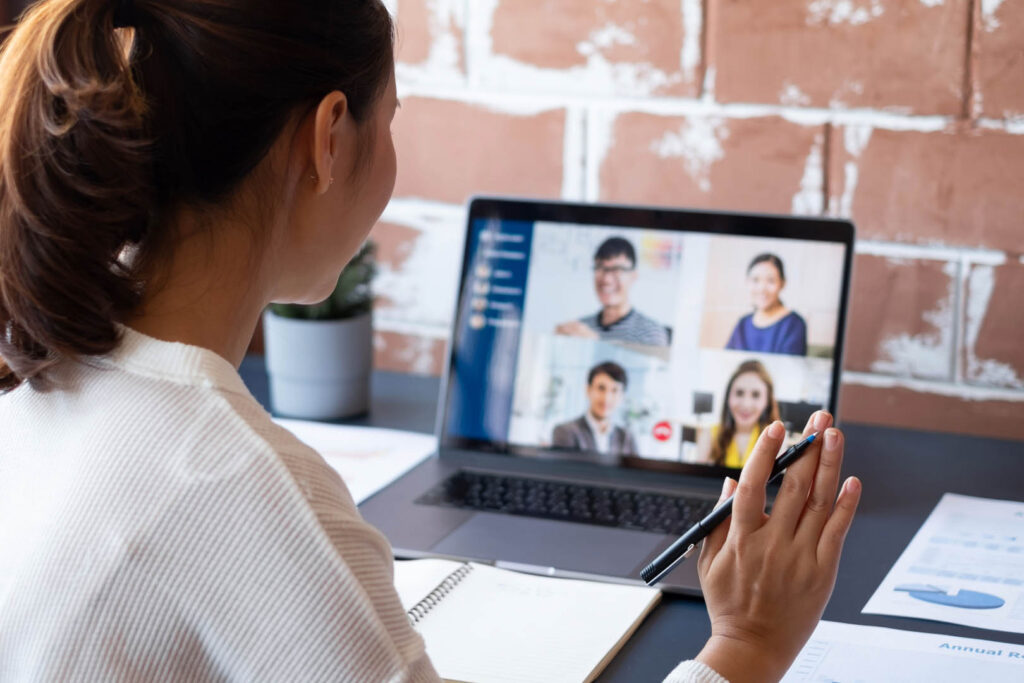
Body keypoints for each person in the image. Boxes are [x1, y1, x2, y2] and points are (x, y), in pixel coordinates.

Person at [0, 2, 860, 681]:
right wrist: (746, 647)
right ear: (328, 137)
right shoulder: (231, 485)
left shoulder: (40, 375)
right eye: (394, 118)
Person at [555, 236, 671, 347]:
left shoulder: (650, 333)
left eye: (617, 270)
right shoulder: (581, 327)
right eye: (600, 268)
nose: (606, 279)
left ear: (633, 276)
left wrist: (593, 345)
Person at [700, 360, 781, 468]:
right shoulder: (709, 435)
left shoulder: (775, 441)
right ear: (728, 397)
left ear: (767, 401)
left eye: (756, 395)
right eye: (739, 393)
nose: (746, 404)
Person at [551, 361, 638, 459]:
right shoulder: (566, 432)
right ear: (588, 390)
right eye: (601, 388)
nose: (606, 398)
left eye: (615, 390)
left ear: (622, 396)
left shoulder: (627, 438)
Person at [725, 253, 807, 356]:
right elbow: (727, 361)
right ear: (747, 282)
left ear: (782, 283)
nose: (762, 289)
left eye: (771, 281)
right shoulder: (743, 323)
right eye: (755, 280)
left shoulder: (793, 324)